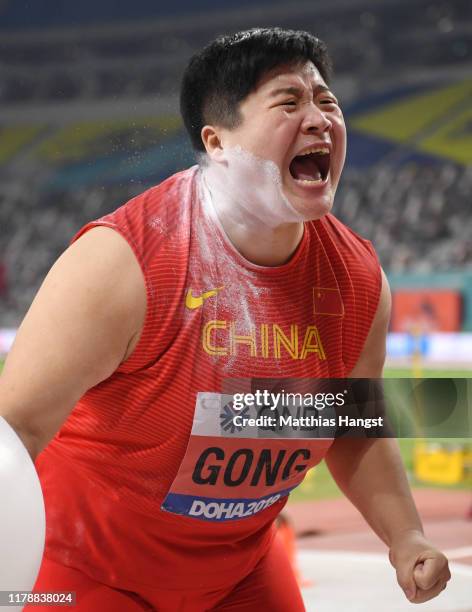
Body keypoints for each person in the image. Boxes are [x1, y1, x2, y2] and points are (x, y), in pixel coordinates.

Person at [0, 28, 450, 611]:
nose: (318, 118)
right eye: (289, 102)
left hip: (241, 574)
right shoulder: (122, 263)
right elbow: (14, 431)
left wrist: (405, 536)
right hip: (84, 569)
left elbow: (349, 425)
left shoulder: (359, 281)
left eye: (327, 101)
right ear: (216, 141)